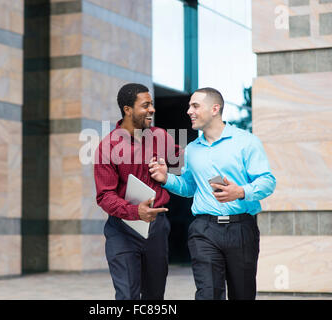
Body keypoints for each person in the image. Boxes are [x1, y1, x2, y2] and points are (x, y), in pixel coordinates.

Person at [149, 87, 276, 300]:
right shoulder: (192, 149)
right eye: (189, 106)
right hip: (204, 230)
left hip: (241, 229)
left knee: (242, 294)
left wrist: (240, 191)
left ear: (215, 109)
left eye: (195, 106)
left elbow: (267, 182)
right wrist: (166, 178)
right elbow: (190, 187)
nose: (189, 111)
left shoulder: (246, 141)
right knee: (208, 294)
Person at [94, 83, 182, 300]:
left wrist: (167, 169)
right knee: (127, 296)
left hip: (156, 229)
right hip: (122, 230)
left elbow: (184, 166)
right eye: (145, 105)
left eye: (151, 104)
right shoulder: (108, 147)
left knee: (154, 296)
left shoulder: (162, 137)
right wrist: (135, 212)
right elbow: (104, 196)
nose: (152, 109)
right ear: (128, 110)